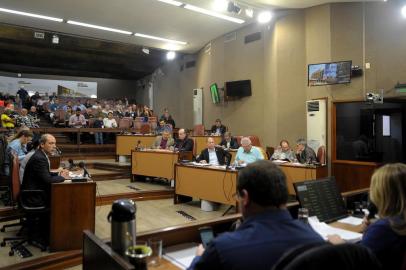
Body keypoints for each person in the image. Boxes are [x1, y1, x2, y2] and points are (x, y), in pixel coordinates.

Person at [188, 160, 324, 270]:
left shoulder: (223, 248)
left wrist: (199, 257)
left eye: (238, 196)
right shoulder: (315, 239)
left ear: (245, 198)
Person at [328, 163, 406, 270]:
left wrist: (340, 244)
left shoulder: (383, 228)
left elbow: (357, 263)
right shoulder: (398, 221)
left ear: (383, 193)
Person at [21, 134, 69, 244]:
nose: (54, 146)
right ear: (42, 144)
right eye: (51, 143)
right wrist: (62, 177)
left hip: (34, 191)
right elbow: (47, 180)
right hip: (33, 196)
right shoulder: (39, 158)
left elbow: (45, 176)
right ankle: (48, 237)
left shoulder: (40, 155)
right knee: (60, 202)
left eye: (55, 143)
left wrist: (58, 175)